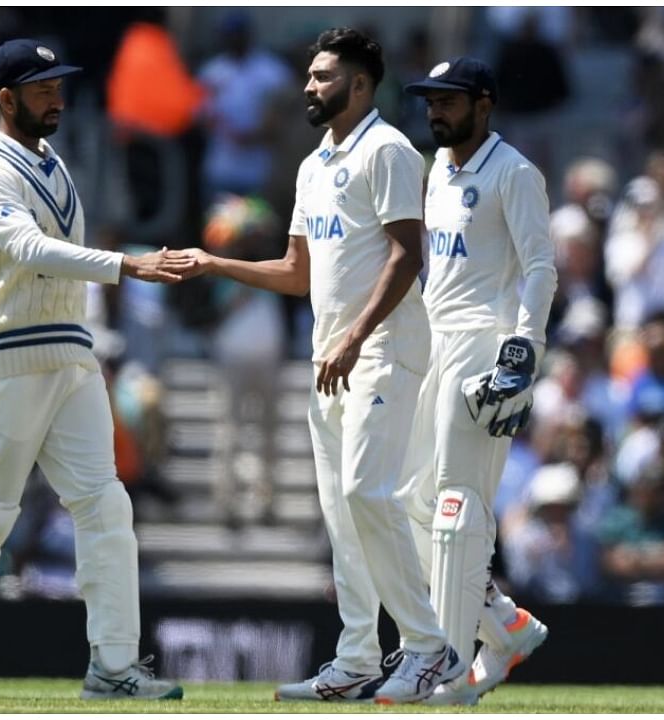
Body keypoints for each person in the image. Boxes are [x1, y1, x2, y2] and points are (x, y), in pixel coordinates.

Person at [0, 38, 188, 701]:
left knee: (105, 502)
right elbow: (26, 249)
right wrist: (125, 263)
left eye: (59, 85)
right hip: (8, 353)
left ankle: (113, 667)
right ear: (6, 98)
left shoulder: (53, 161)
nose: (57, 96)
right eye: (42, 87)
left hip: (70, 350)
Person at [171, 28, 463, 704]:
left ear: (361, 85)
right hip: (330, 354)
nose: (308, 85)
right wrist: (214, 263)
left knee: (366, 492)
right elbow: (297, 272)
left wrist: (357, 334)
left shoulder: (388, 150)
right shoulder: (312, 166)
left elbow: (407, 255)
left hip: (382, 348)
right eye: (309, 74)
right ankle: (358, 655)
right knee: (339, 511)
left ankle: (426, 646)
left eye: (324, 76)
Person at [398, 57, 558, 705]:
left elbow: (541, 267)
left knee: (458, 504)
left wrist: (524, 349)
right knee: (409, 496)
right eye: (431, 100)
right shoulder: (434, 168)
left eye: (450, 100)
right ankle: (504, 627)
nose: (436, 110)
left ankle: (449, 660)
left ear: (483, 106)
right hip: (432, 339)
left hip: (483, 344)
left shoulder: (514, 172)